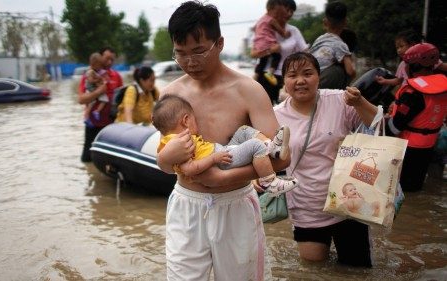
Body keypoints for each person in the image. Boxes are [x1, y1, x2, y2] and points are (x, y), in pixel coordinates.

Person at [158, 1, 291, 280]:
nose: (190, 62)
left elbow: (281, 157)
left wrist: (223, 180)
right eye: (180, 54)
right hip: (187, 205)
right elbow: (167, 164)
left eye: (198, 51)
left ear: (219, 43)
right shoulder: (171, 95)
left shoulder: (248, 91)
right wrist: (167, 158)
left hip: (235, 204)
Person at [271, 52, 378, 267]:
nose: (300, 81)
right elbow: (267, 156)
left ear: (319, 77)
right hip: (305, 204)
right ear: (285, 81)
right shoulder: (275, 115)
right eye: (292, 75)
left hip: (348, 202)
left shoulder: (340, 100)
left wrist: (359, 103)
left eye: (308, 73)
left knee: (357, 269)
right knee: (314, 269)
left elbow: (376, 124)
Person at [153, 94, 297, 196]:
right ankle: (269, 182)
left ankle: (272, 147)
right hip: (222, 161)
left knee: (244, 130)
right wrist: (214, 159)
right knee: (255, 145)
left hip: (222, 151)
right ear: (185, 120)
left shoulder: (170, 140)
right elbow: (190, 170)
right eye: (194, 119)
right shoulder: (179, 142)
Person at [385, 43, 447, 192]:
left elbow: (395, 127)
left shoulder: (412, 93)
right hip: (428, 145)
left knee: (401, 191)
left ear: (413, 66)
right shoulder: (443, 87)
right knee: (415, 188)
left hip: (408, 148)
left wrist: (384, 121)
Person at [251, 0, 308, 105]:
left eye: (292, 11)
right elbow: (253, 54)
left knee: (286, 110)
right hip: (266, 76)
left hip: (287, 77)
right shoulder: (265, 29)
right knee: (265, 109)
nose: (289, 14)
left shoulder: (293, 31)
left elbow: (305, 53)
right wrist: (270, 50)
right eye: (287, 10)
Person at [78, 47, 123, 162]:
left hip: (111, 124)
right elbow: (81, 99)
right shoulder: (89, 76)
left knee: (109, 159)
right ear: (100, 57)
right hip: (92, 123)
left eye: (112, 60)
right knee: (87, 158)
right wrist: (99, 92)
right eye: (107, 58)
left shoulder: (117, 76)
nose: (109, 62)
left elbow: (121, 99)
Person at [309, 1, 355, 90]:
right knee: (341, 70)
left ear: (325, 22)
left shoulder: (319, 39)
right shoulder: (341, 45)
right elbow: (350, 71)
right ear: (345, 22)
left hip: (309, 77)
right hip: (321, 82)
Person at [253, 0, 291, 86]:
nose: (277, 15)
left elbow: (254, 28)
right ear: (270, 9)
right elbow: (281, 32)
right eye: (276, 13)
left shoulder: (260, 20)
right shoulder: (271, 20)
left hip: (259, 43)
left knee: (263, 60)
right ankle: (270, 73)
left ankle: (255, 76)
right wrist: (286, 34)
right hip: (268, 42)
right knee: (277, 56)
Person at [83, 53, 109, 127]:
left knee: (103, 100)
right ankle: (87, 117)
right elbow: (91, 81)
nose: (100, 67)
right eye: (99, 65)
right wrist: (98, 80)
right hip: (90, 89)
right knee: (92, 102)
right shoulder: (90, 72)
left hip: (92, 89)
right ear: (94, 64)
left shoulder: (95, 71)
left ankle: (94, 113)